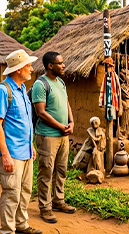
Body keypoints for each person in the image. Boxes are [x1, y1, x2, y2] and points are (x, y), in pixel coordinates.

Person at [0, 49, 42, 234]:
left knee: (25, 190)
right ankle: (7, 230)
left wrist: (31, 146)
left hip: (26, 151)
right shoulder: (2, 91)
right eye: (28, 65)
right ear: (18, 69)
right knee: (11, 192)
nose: (31, 68)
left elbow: (24, 122)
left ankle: (21, 224)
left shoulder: (22, 91)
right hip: (12, 153)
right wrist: (5, 155)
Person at [31, 51, 76, 224]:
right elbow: (40, 112)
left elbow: (67, 103)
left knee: (61, 170)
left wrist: (71, 122)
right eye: (60, 63)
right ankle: (45, 207)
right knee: (46, 172)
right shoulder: (40, 85)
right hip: (47, 136)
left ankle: (58, 201)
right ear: (50, 66)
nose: (63, 65)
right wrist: (60, 126)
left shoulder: (61, 83)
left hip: (63, 134)